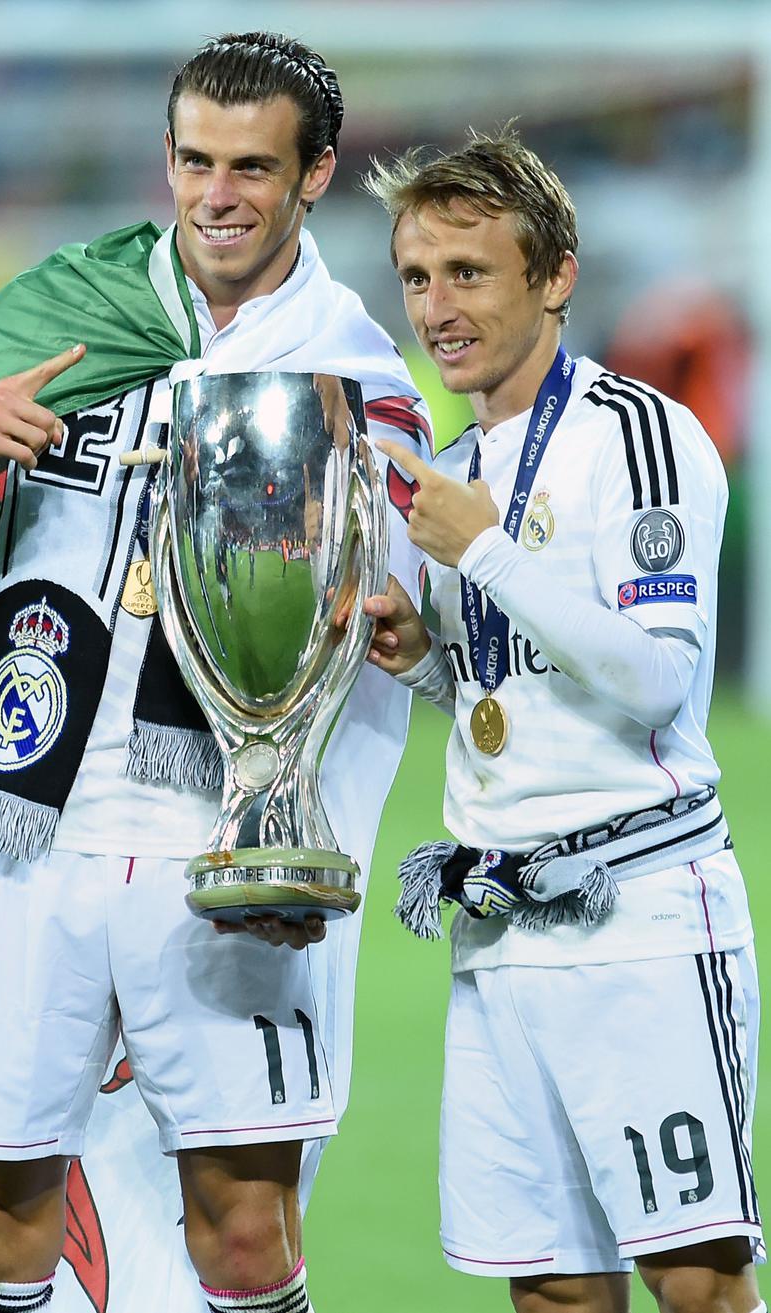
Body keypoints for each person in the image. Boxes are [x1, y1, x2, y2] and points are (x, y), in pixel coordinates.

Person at [0, 33, 429, 1313]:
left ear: (316, 172)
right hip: (23, 817)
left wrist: (401, 607)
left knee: (242, 1227)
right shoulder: (63, 310)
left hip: (208, 821)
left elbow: (407, 559)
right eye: (196, 160)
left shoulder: (349, 359)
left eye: (253, 168)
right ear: (165, 157)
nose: (216, 194)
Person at [361, 132, 764, 1313]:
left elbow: (651, 676)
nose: (438, 306)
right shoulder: (451, 462)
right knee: (551, 1294)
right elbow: (515, 693)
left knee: (695, 1281)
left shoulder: (640, 437)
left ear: (555, 275)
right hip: (496, 930)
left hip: (638, 921)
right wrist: (431, 660)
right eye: (419, 276)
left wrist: (477, 547)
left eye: (470, 273)